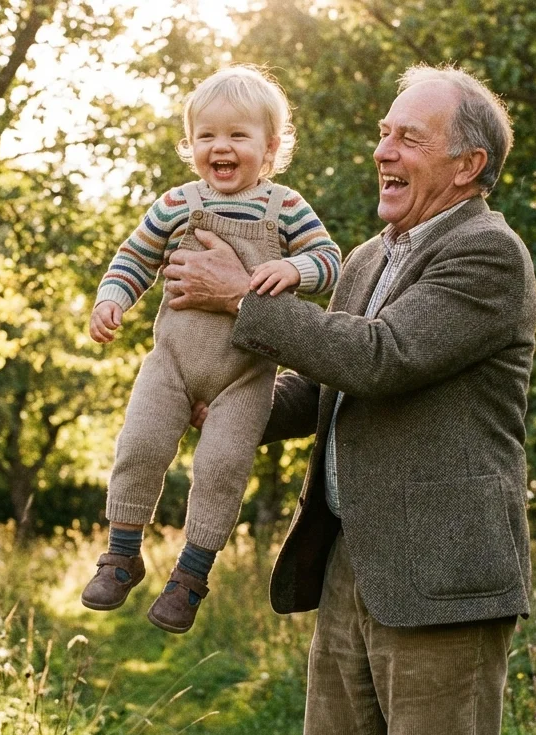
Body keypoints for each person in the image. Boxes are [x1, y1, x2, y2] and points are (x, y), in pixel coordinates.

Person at [162, 64, 536, 735]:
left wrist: (244, 299)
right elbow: (327, 385)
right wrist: (223, 401)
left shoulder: (488, 254)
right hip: (350, 560)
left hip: (441, 578)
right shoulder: (367, 259)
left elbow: (381, 357)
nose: (383, 152)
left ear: (468, 165)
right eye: (383, 134)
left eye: (409, 140)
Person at [81, 65, 342, 634]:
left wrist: (291, 267)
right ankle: (122, 554)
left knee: (223, 467)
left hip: (244, 377)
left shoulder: (286, 207)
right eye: (207, 136)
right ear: (190, 144)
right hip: (170, 364)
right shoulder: (175, 202)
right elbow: (134, 258)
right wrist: (111, 300)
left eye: (238, 136)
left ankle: (191, 576)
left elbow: (330, 263)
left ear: (271, 147)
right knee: (141, 442)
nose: (220, 147)